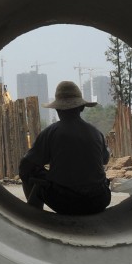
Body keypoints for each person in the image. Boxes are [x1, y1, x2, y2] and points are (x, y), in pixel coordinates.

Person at [18, 80, 111, 215]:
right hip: (98, 200)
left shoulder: (51, 132)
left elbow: (25, 166)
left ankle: (35, 216)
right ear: (82, 107)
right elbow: (104, 160)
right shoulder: (96, 133)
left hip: (65, 202)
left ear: (57, 109)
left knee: (30, 171)